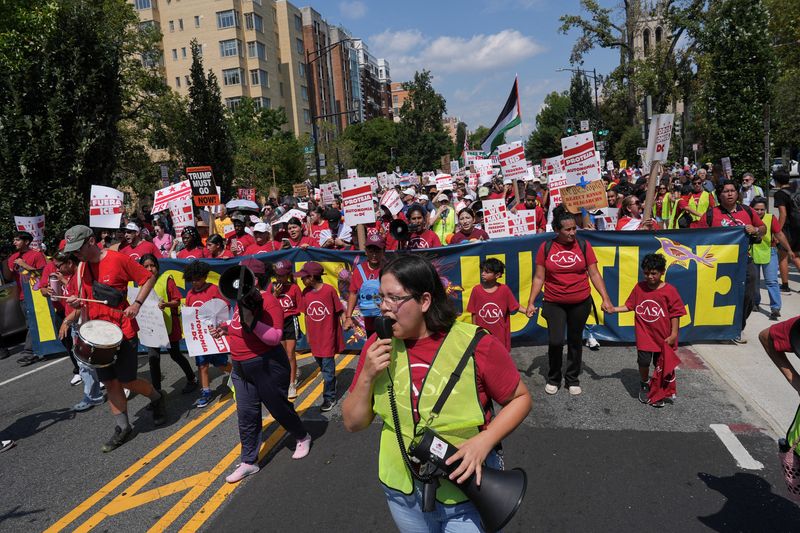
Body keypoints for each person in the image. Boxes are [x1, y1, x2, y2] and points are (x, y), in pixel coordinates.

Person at [342, 254, 532, 532]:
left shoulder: (476, 343)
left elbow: (520, 398)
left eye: (394, 298)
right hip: (402, 493)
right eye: (381, 298)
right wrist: (367, 376)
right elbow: (352, 422)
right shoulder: (377, 345)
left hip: (466, 495)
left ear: (425, 301)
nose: (384, 307)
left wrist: (485, 441)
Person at [61, 225, 166, 452]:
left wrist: (137, 304)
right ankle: (122, 427)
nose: (75, 254)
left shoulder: (119, 259)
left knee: (127, 380)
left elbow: (148, 278)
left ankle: (157, 397)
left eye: (78, 248)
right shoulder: (80, 268)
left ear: (91, 241)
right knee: (109, 382)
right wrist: (75, 305)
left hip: (123, 330)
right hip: (98, 333)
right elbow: (83, 300)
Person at [209, 260, 312, 484]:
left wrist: (252, 322)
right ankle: (249, 461)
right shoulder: (240, 301)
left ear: (255, 280)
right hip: (240, 367)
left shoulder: (269, 302)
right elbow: (238, 327)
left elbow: (274, 337)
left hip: (266, 365)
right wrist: (225, 328)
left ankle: (302, 436)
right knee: (246, 415)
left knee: (279, 408)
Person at [525, 207, 614, 395]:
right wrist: (531, 302)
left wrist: (606, 298)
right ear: (557, 230)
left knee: (575, 341)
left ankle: (572, 378)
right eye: (567, 229)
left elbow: (595, 273)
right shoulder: (546, 247)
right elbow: (539, 278)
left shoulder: (584, 245)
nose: (572, 233)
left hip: (580, 302)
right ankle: (554, 377)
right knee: (556, 341)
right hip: (554, 302)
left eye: (574, 228)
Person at [610, 254, 685, 407]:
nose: (649, 277)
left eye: (653, 273)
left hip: (663, 337)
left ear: (662, 272)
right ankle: (644, 383)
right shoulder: (639, 287)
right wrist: (613, 309)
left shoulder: (670, 290)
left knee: (660, 364)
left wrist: (674, 334)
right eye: (646, 273)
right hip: (644, 335)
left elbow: (675, 314)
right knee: (644, 360)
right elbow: (629, 306)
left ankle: (658, 392)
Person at [698, 180, 766, 343]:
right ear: (719, 195)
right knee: (721, 298)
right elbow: (697, 234)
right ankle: (722, 329)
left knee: (749, 295)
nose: (729, 194)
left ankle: (737, 327)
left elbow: (762, 228)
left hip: (744, 260)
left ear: (737, 193)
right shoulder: (710, 214)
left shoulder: (748, 211)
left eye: (733, 191)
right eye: (725, 191)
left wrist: (755, 229)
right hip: (718, 263)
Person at [52, 252, 105, 411]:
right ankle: (93, 395)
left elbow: (82, 304)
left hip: (85, 324)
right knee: (84, 363)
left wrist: (67, 321)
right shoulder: (71, 278)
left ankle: (115, 386)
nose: (57, 270)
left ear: (69, 262)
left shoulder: (79, 277)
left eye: (59, 266)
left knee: (92, 361)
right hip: (78, 325)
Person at [139, 255, 198, 394]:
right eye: (146, 266)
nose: (149, 269)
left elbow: (177, 301)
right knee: (153, 358)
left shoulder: (166, 279)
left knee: (175, 355)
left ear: (157, 266)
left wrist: (165, 304)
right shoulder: (141, 283)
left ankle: (192, 379)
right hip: (152, 327)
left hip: (169, 325)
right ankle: (157, 393)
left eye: (152, 265)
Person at [183, 260, 232, 408]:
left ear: (205, 277)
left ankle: (237, 373)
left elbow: (226, 306)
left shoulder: (214, 289)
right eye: (192, 280)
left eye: (198, 279)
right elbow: (190, 314)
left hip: (214, 335)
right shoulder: (190, 294)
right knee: (202, 365)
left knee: (221, 364)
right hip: (200, 338)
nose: (195, 282)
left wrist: (220, 326)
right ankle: (205, 392)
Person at [297, 261, 344, 412]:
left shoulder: (329, 291)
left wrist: (346, 321)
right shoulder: (305, 292)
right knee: (322, 366)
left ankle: (329, 397)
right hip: (315, 338)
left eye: (304, 277)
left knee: (328, 370)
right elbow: (307, 316)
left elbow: (339, 311)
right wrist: (308, 335)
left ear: (312, 277)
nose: (302, 280)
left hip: (328, 336)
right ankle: (331, 383)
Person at [2, 231, 47, 366]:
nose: (14, 242)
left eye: (17, 240)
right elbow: (8, 277)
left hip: (38, 294)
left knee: (33, 323)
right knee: (31, 323)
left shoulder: (36, 255)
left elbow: (43, 273)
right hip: (23, 296)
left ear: (26, 242)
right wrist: (7, 264)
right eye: (14, 240)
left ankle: (29, 352)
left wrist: (25, 265)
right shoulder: (14, 257)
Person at [750, 197, 794, 321]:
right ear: (752, 209)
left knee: (771, 281)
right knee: (754, 281)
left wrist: (789, 249)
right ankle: (755, 303)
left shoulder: (770, 218)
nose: (759, 212)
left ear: (766, 209)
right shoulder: (748, 218)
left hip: (769, 252)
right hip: (752, 253)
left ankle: (775, 308)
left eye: (762, 209)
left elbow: (779, 234)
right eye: (756, 209)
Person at [268, 259, 304, 400]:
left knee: (290, 353)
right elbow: (267, 304)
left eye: (282, 275)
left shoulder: (294, 288)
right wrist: (275, 295)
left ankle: (291, 384)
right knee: (282, 354)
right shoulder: (272, 286)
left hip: (290, 321)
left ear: (288, 275)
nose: (279, 278)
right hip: (277, 322)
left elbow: (300, 308)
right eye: (277, 275)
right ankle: (287, 375)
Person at [467, 258, 520, 351]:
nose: (482, 273)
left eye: (487, 272)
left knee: (500, 360)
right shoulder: (476, 290)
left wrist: (527, 311)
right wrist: (474, 331)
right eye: (482, 271)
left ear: (498, 275)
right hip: (482, 336)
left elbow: (515, 306)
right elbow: (473, 313)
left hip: (500, 336)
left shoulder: (504, 289)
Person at [345, 233, 386, 339]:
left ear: (383, 252)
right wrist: (348, 317)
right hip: (368, 320)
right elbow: (353, 293)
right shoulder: (359, 270)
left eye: (377, 251)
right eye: (371, 251)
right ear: (366, 252)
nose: (374, 255)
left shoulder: (388, 269)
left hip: (386, 319)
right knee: (372, 346)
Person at [771, 169, 800, 292]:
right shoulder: (797, 189)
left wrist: (777, 231)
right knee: (796, 255)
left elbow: (782, 214)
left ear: (776, 181)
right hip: (799, 226)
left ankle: (785, 285)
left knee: (783, 256)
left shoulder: (780, 194)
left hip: (788, 228)